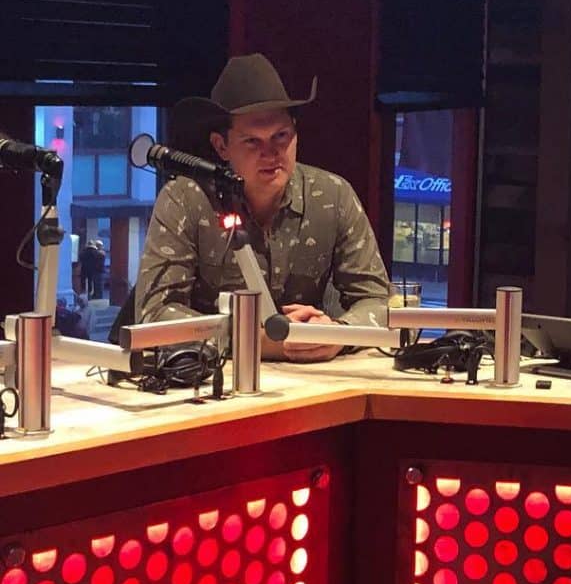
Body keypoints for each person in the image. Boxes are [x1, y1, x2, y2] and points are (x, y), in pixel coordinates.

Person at [135, 53, 390, 362]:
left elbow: (380, 302)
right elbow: (154, 313)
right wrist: (257, 341)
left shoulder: (333, 195)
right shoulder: (185, 199)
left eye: (281, 136)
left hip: (312, 379)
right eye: (252, 142)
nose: (271, 153)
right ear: (221, 146)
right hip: (214, 377)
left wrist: (337, 333)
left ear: (296, 134)